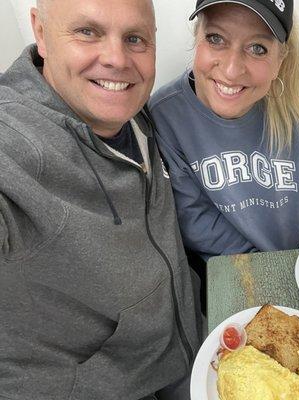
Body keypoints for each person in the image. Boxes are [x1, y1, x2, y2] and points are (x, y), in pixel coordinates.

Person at [0, 0, 201, 399]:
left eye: (135, 38)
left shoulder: (137, 112)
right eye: (87, 32)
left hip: (187, 345)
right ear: (40, 31)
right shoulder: (17, 143)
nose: (116, 59)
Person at [149, 0, 299, 260]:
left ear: (280, 59)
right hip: (233, 271)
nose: (232, 70)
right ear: (196, 36)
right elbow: (194, 217)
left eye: (258, 48)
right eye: (215, 38)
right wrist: (262, 269)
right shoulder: (166, 114)